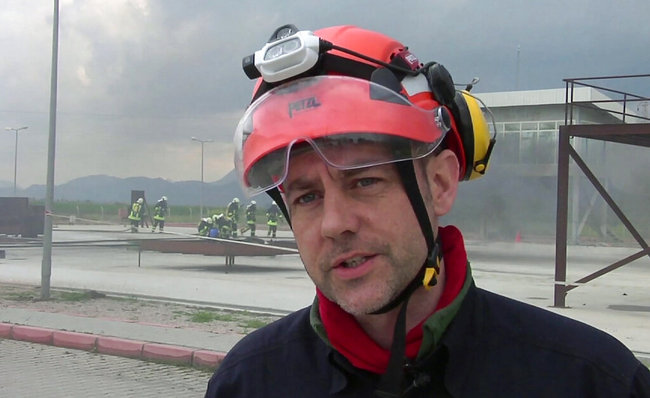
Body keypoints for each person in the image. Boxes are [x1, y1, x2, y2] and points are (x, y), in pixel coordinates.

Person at [205, 25, 650, 397]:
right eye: (306, 197)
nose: (335, 224)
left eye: (364, 181)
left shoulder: (590, 380)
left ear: (439, 184)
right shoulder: (248, 382)